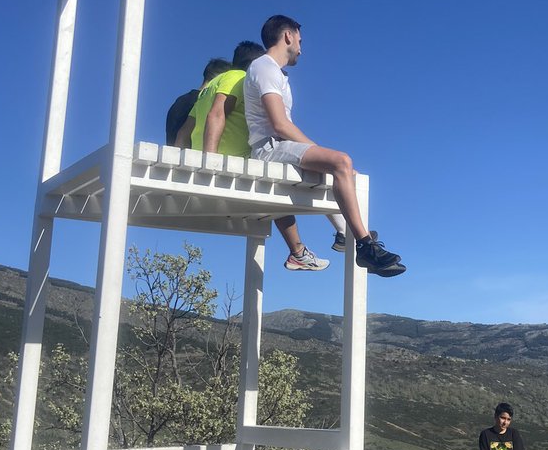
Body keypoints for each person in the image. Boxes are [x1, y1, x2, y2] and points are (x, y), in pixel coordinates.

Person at [243, 15, 405, 277]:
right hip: (269, 149)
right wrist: (321, 153)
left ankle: (344, 234)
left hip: (277, 146)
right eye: (300, 41)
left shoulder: (273, 72)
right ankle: (365, 245)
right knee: (341, 161)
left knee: (337, 170)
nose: (300, 48)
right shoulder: (264, 67)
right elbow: (280, 124)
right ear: (288, 36)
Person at [175, 41, 336, 273]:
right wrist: (209, 163)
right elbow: (217, 114)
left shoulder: (205, 92)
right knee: (287, 177)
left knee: (280, 177)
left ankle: (302, 249)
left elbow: (184, 132)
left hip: (209, 158)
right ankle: (320, 241)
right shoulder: (238, 77)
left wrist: (182, 167)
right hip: (229, 159)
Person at [165, 57, 229, 144]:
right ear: (220, 78)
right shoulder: (203, 102)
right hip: (192, 152)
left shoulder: (179, 101)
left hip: (171, 151)